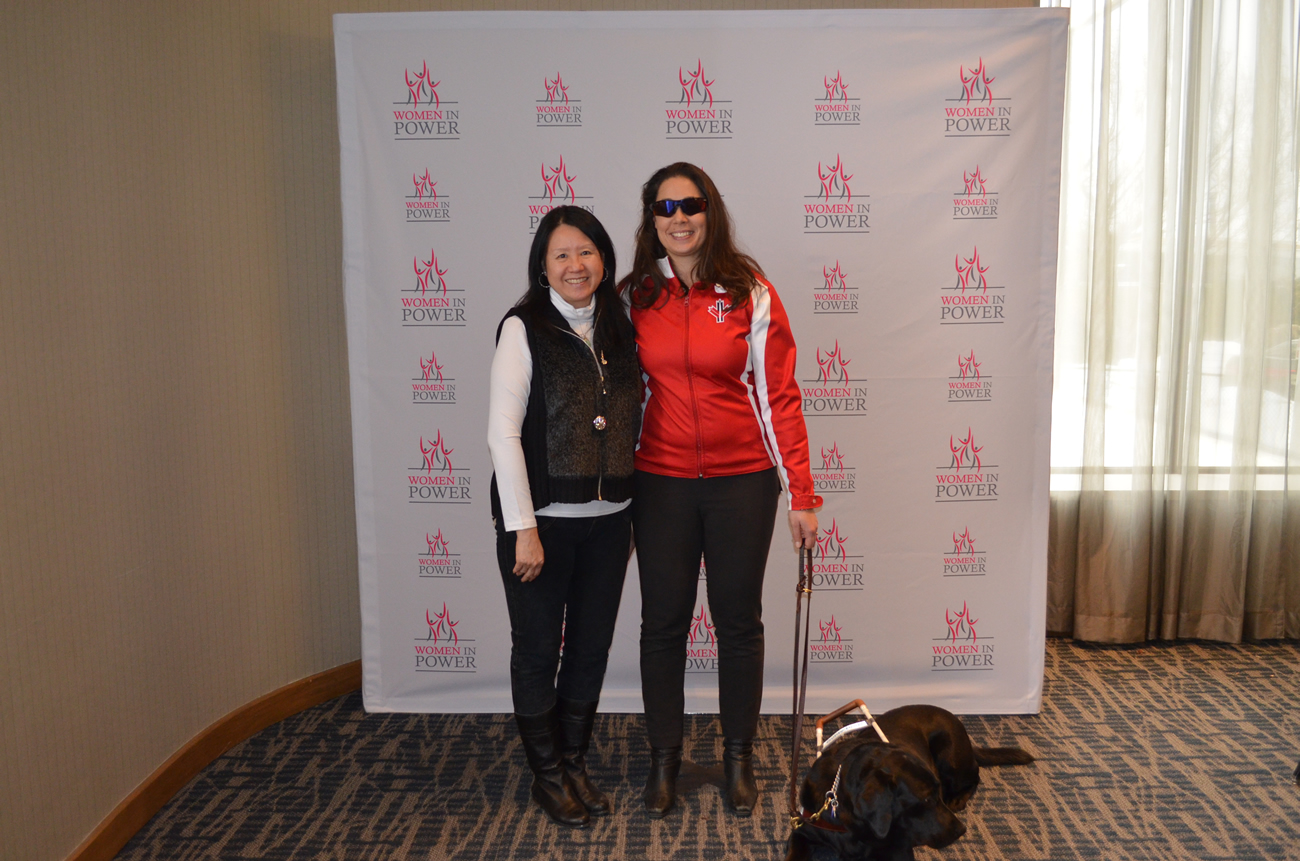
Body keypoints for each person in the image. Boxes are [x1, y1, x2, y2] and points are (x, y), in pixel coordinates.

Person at [618, 163, 821, 818]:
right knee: (662, 624)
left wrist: (802, 494)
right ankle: (664, 759)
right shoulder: (633, 297)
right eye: (665, 207)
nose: (679, 218)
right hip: (661, 484)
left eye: (691, 204)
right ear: (651, 219)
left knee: (737, 622)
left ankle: (739, 757)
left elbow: (778, 395)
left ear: (711, 211)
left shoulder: (748, 291)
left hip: (742, 483)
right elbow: (620, 399)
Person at [487, 206, 641, 828]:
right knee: (536, 652)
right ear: (543, 266)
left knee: (590, 648)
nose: (576, 265)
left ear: (604, 259)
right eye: (561, 254)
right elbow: (503, 434)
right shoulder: (523, 328)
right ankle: (547, 777)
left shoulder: (621, 325)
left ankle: (573, 762)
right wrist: (522, 528)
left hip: (612, 521)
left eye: (586, 252)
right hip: (543, 524)